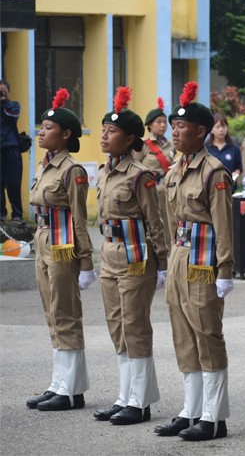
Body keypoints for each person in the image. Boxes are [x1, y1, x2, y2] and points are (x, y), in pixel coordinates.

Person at [153, 81, 234, 441]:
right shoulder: (174, 170)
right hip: (181, 256)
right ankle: (191, 409)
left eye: (181, 126)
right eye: (172, 126)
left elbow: (224, 225)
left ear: (201, 132)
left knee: (206, 336)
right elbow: (170, 219)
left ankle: (214, 417)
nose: (174, 131)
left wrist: (225, 269)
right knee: (183, 336)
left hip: (204, 260)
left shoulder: (213, 171)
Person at [94, 87, 169, 425]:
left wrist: (164, 262)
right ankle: (124, 395)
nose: (105, 136)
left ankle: (139, 402)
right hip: (109, 255)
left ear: (129, 139)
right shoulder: (103, 171)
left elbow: (156, 221)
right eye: (103, 130)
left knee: (135, 326)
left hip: (137, 256)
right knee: (116, 326)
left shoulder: (141, 176)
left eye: (112, 132)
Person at [26, 88, 95, 411]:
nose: (42, 131)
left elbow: (79, 220)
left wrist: (85, 261)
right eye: (42, 126)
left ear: (66, 135)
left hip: (63, 243)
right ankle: (59, 384)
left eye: (49, 128)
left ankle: (71, 390)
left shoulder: (72, 171)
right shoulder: (46, 165)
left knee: (65, 313)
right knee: (52, 313)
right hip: (43, 238)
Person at [133, 96, 175, 251]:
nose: (163, 125)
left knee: (168, 223)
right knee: (151, 223)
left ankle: (169, 253)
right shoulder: (143, 145)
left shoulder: (171, 145)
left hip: (167, 191)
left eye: (165, 122)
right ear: (149, 125)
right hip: (149, 190)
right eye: (159, 122)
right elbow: (135, 167)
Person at [0, 79, 24, 223]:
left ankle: (17, 214)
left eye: (4, 91)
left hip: (12, 148)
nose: (1, 94)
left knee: (14, 183)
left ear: (8, 92)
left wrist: (4, 101)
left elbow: (12, 117)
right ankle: (1, 213)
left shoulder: (13, 105)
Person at [206, 112, 242, 181]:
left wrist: (234, 176)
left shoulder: (234, 148)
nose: (221, 130)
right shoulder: (206, 148)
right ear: (212, 130)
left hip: (229, 187)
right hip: (210, 187)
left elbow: (238, 168)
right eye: (218, 127)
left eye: (223, 126)